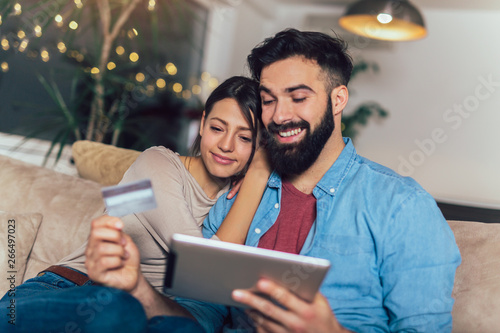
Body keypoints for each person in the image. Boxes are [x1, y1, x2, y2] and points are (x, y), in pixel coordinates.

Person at [173, 29, 461, 332]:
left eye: (298, 98)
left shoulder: (402, 205)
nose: (280, 115)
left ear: (338, 100)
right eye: (268, 100)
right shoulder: (240, 195)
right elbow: (199, 308)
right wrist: (140, 289)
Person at [0, 76, 270, 333]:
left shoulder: (236, 203)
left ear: (260, 145)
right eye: (217, 128)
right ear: (202, 124)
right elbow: (202, 267)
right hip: (69, 287)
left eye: (244, 138)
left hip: (149, 312)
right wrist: (257, 174)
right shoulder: (156, 164)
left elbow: (209, 302)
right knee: (118, 308)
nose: (226, 145)